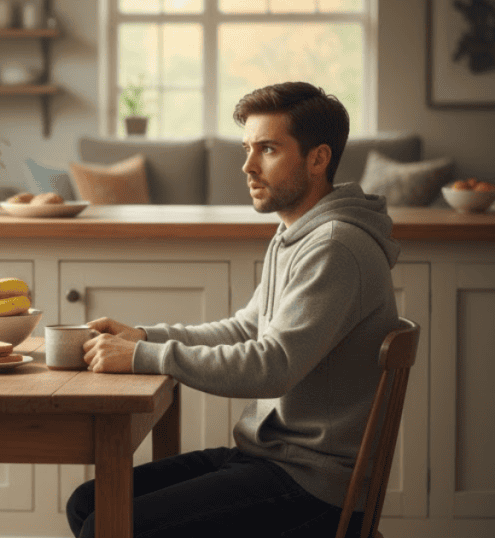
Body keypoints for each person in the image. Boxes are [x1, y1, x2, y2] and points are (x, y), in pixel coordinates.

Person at [67, 82, 401, 538]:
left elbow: (273, 366)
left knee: (104, 525)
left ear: (318, 158)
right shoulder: (298, 235)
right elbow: (247, 329)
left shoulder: (335, 246)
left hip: (312, 482)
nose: (247, 166)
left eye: (267, 149)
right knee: (87, 503)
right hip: (272, 458)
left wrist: (145, 358)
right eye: (247, 148)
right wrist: (144, 338)